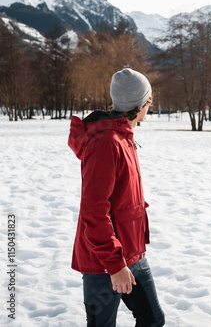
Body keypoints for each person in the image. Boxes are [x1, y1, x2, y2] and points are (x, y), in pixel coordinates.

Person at [68, 68, 165, 327]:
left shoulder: (123, 138)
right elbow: (94, 212)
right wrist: (115, 265)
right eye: (149, 100)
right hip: (105, 262)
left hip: (132, 254)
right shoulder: (107, 143)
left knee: (153, 320)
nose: (150, 105)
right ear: (141, 104)